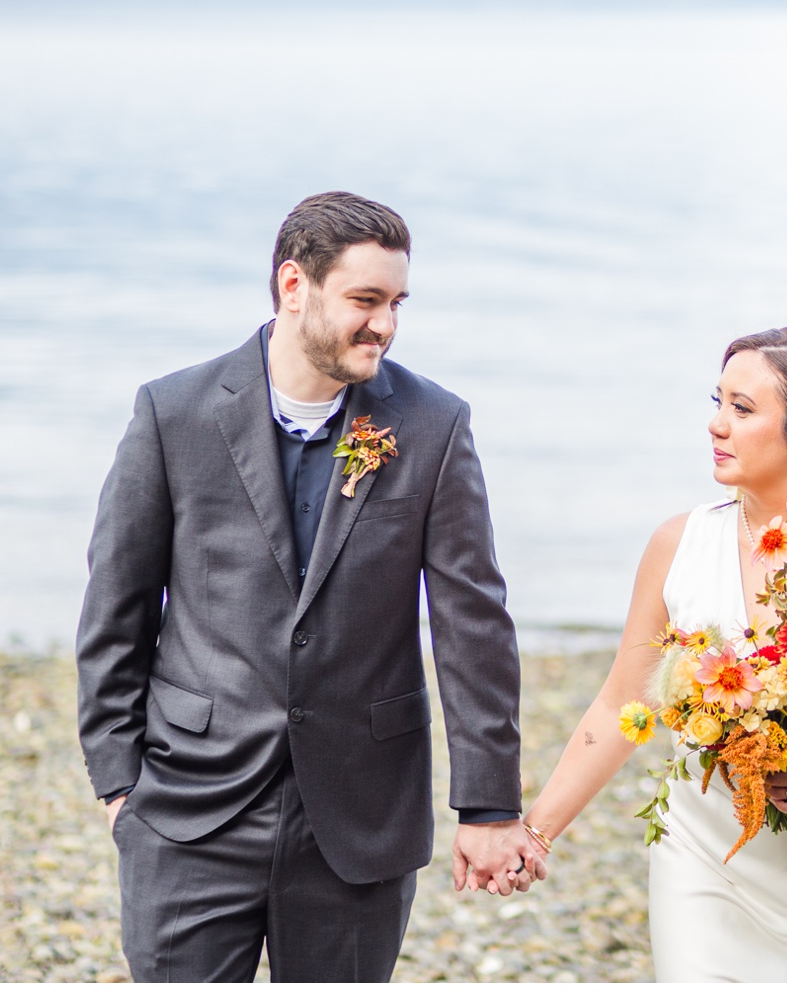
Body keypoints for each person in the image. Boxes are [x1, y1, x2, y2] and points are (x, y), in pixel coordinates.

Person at [75, 191, 542, 983]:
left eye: (396, 303)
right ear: (295, 286)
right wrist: (119, 781)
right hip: (189, 807)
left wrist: (489, 805)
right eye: (365, 300)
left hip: (360, 816)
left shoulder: (434, 425)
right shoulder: (174, 413)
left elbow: (472, 624)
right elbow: (116, 606)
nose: (385, 325)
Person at [512, 326, 787, 981]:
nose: (715, 425)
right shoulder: (679, 546)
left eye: (742, 409)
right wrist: (538, 832)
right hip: (705, 858)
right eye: (718, 402)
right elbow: (621, 703)